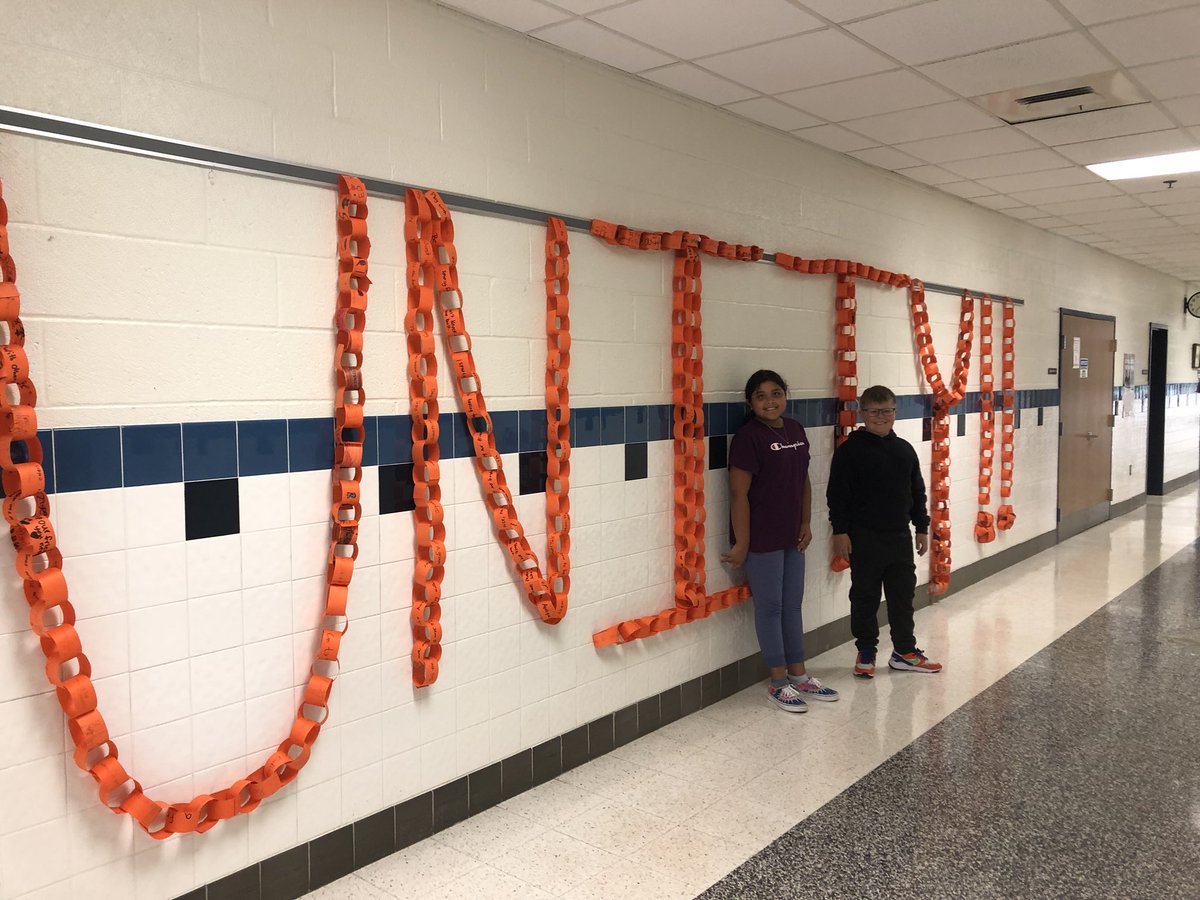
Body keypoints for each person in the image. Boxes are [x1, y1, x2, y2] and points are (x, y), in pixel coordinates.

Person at [722, 370, 839, 713]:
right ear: (750, 403)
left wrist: (805, 521)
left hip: (792, 534)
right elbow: (737, 494)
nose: (769, 401)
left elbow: (803, 480)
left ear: (786, 395)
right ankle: (777, 682)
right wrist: (742, 543)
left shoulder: (795, 429)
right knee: (770, 608)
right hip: (761, 538)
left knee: (792, 605)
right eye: (761, 396)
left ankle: (799, 675)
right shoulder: (748, 438)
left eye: (775, 393)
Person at [826, 385, 943, 678]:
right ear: (862, 413)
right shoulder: (849, 452)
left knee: (902, 596)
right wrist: (840, 532)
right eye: (874, 411)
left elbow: (917, 491)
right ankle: (866, 650)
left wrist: (922, 527)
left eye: (887, 411)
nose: (881, 417)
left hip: (899, 537)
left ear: (895, 412)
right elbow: (837, 496)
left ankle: (904, 651)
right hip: (863, 538)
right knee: (864, 597)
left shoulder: (904, 450)